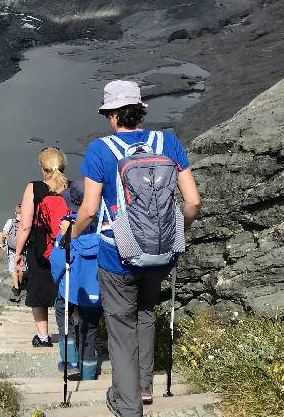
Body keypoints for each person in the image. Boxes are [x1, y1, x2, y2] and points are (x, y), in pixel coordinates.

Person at [70, 80, 201, 417]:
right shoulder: (167, 142)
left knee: (121, 326)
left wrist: (71, 235)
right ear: (140, 110)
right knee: (145, 314)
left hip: (118, 255)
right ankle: (143, 389)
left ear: (113, 115)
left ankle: (128, 405)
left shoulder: (101, 149)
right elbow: (193, 201)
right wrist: (177, 234)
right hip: (160, 252)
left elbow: (88, 209)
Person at [13, 148, 73, 347]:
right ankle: (71, 335)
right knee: (67, 289)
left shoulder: (34, 188)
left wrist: (19, 252)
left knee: (38, 289)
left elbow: (25, 225)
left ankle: (44, 337)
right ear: (64, 166)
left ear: (42, 168)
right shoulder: (72, 188)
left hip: (40, 248)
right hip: (67, 247)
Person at [51, 178, 103, 380]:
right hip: (95, 290)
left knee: (63, 315)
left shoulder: (66, 230)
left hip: (70, 288)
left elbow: (57, 262)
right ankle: (89, 372)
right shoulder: (103, 228)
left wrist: (57, 280)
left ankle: (70, 362)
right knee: (89, 328)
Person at [0, 204, 26, 300]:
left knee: (13, 269)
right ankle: (21, 282)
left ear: (15, 213)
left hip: (12, 250)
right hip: (23, 249)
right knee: (21, 268)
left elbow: (4, 234)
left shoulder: (10, 221)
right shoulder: (27, 222)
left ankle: (16, 287)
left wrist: (3, 243)